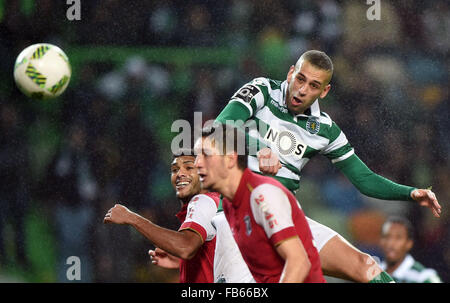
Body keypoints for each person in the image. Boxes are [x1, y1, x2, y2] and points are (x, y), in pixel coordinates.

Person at [214, 49, 442, 282]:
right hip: (240, 215)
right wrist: (259, 148)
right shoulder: (262, 89)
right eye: (300, 79)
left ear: (324, 91)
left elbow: (364, 179)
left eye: (314, 85)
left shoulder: (324, 129)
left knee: (367, 267)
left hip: (286, 218)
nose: (302, 90)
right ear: (291, 73)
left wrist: (411, 193)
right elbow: (219, 127)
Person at [194, 124, 325, 283]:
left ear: (230, 159)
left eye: (206, 155)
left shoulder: (262, 195)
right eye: (196, 156)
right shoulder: (230, 204)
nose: (197, 163)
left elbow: (299, 263)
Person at [103, 149, 220, 283]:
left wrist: (132, 218)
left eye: (189, 167)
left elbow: (185, 247)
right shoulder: (213, 203)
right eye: (175, 170)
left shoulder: (203, 202)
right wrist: (181, 262)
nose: (180, 174)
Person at [379, 216, 442, 283]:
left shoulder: (423, 277)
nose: (390, 243)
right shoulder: (372, 273)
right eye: (386, 236)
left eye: (398, 238)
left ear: (409, 243)